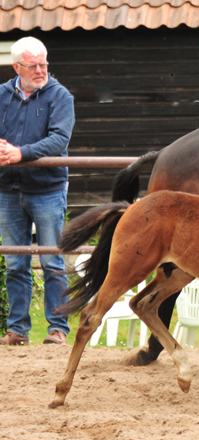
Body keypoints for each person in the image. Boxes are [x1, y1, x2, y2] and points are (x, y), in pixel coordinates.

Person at [0, 37, 75, 345]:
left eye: (44, 64)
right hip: (7, 188)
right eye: (34, 66)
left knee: (52, 261)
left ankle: (57, 329)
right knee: (15, 262)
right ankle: (17, 330)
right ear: (17, 67)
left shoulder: (60, 96)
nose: (41, 70)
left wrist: (21, 153)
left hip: (47, 189)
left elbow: (59, 140)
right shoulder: (1, 96)